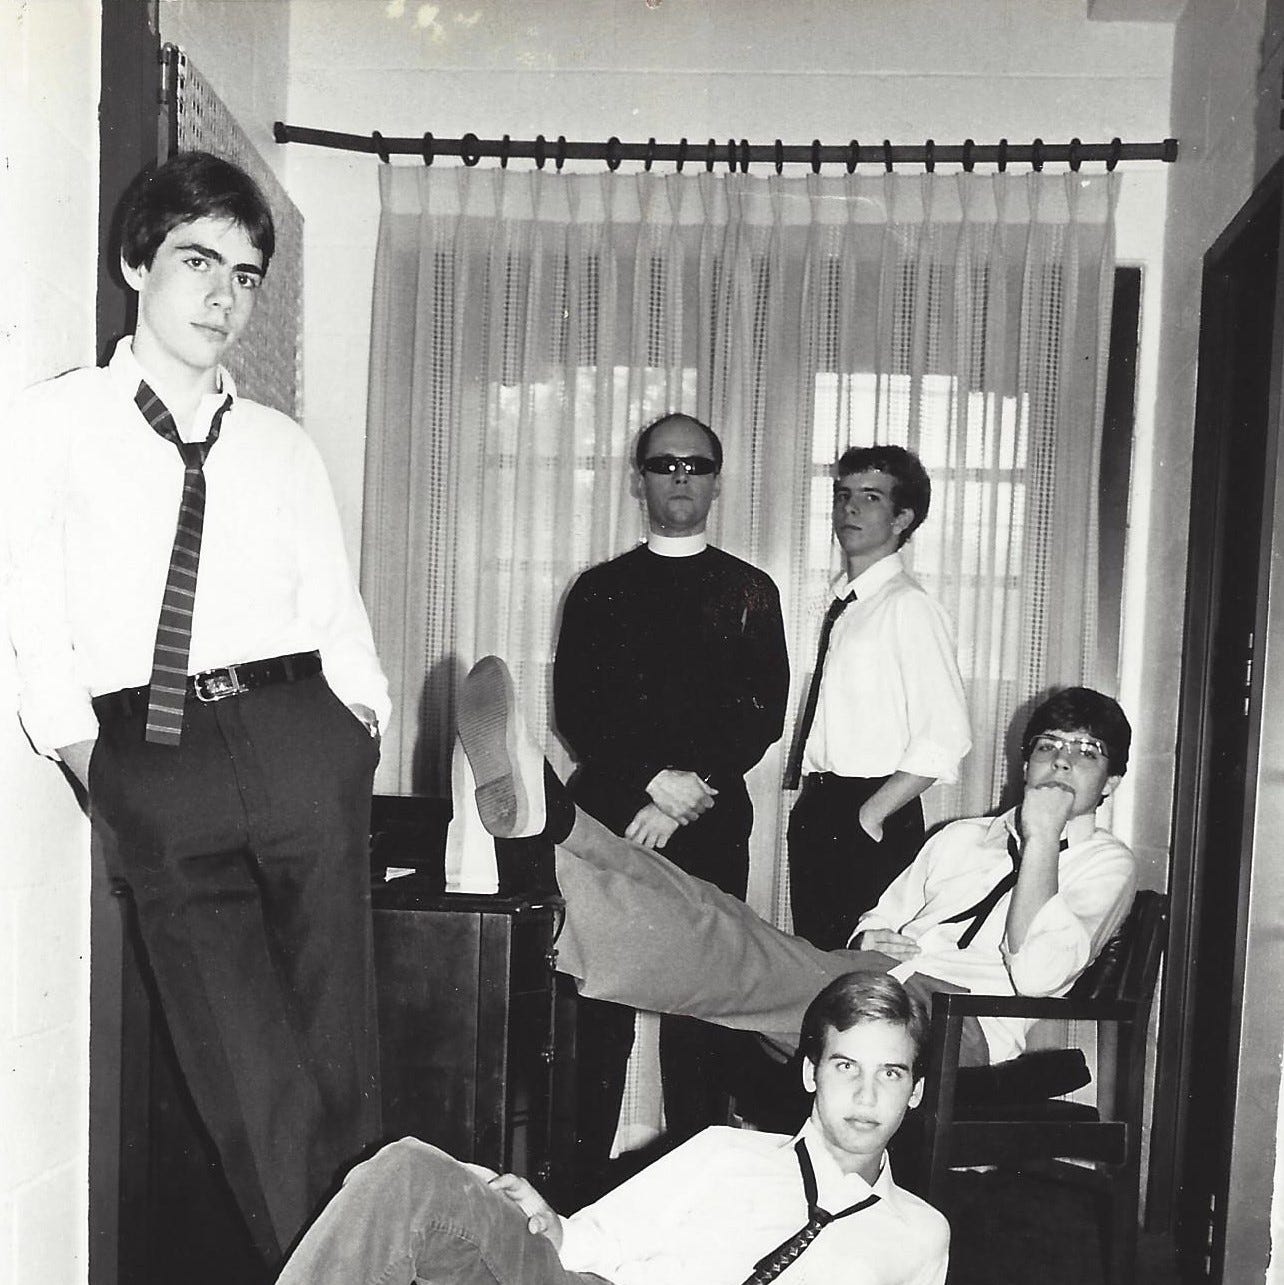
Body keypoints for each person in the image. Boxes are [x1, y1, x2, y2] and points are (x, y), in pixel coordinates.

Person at [0, 151, 389, 1264]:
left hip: (297, 733)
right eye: (198, 261)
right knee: (240, 1067)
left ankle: (368, 1253)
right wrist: (93, 760)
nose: (226, 296)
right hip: (154, 754)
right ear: (137, 263)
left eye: (249, 275)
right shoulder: (53, 424)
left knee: (336, 1050)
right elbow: (33, 609)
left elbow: (336, 608)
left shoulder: (279, 446)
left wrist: (354, 729)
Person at [457, 658, 1136, 1069]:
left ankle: (543, 876)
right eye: (1050, 746)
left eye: (1086, 752)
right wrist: (875, 936)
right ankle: (555, 826)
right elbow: (879, 916)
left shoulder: (1105, 864)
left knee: (731, 950)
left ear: (1109, 783)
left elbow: (1042, 974)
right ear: (1026, 762)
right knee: (712, 908)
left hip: (962, 1027)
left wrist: (1043, 836)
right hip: (878, 979)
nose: (1062, 761)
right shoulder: (964, 838)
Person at [275, 972, 948, 1285]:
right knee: (408, 1170)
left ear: (915, 1090)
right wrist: (543, 1218)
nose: (865, 1093)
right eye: (845, 1066)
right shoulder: (724, 1150)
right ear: (810, 1074)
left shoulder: (921, 1233)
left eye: (889, 1073)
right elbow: (590, 1242)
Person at [553, 411, 790, 1182]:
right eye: (665, 465)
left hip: (711, 824)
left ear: (717, 480)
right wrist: (650, 783)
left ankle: (694, 1193)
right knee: (598, 1012)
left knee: (704, 1018)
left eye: (696, 465)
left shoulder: (751, 591)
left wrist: (687, 794)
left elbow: (761, 714)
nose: (680, 478)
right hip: (609, 824)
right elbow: (579, 709)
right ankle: (580, 1197)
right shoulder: (599, 590)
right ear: (640, 478)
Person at [786, 445, 971, 949]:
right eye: (843, 495)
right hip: (822, 804)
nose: (850, 508)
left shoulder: (908, 607)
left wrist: (868, 816)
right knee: (824, 965)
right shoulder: (844, 603)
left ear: (902, 518)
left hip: (869, 810)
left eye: (870, 497)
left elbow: (946, 736)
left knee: (862, 980)